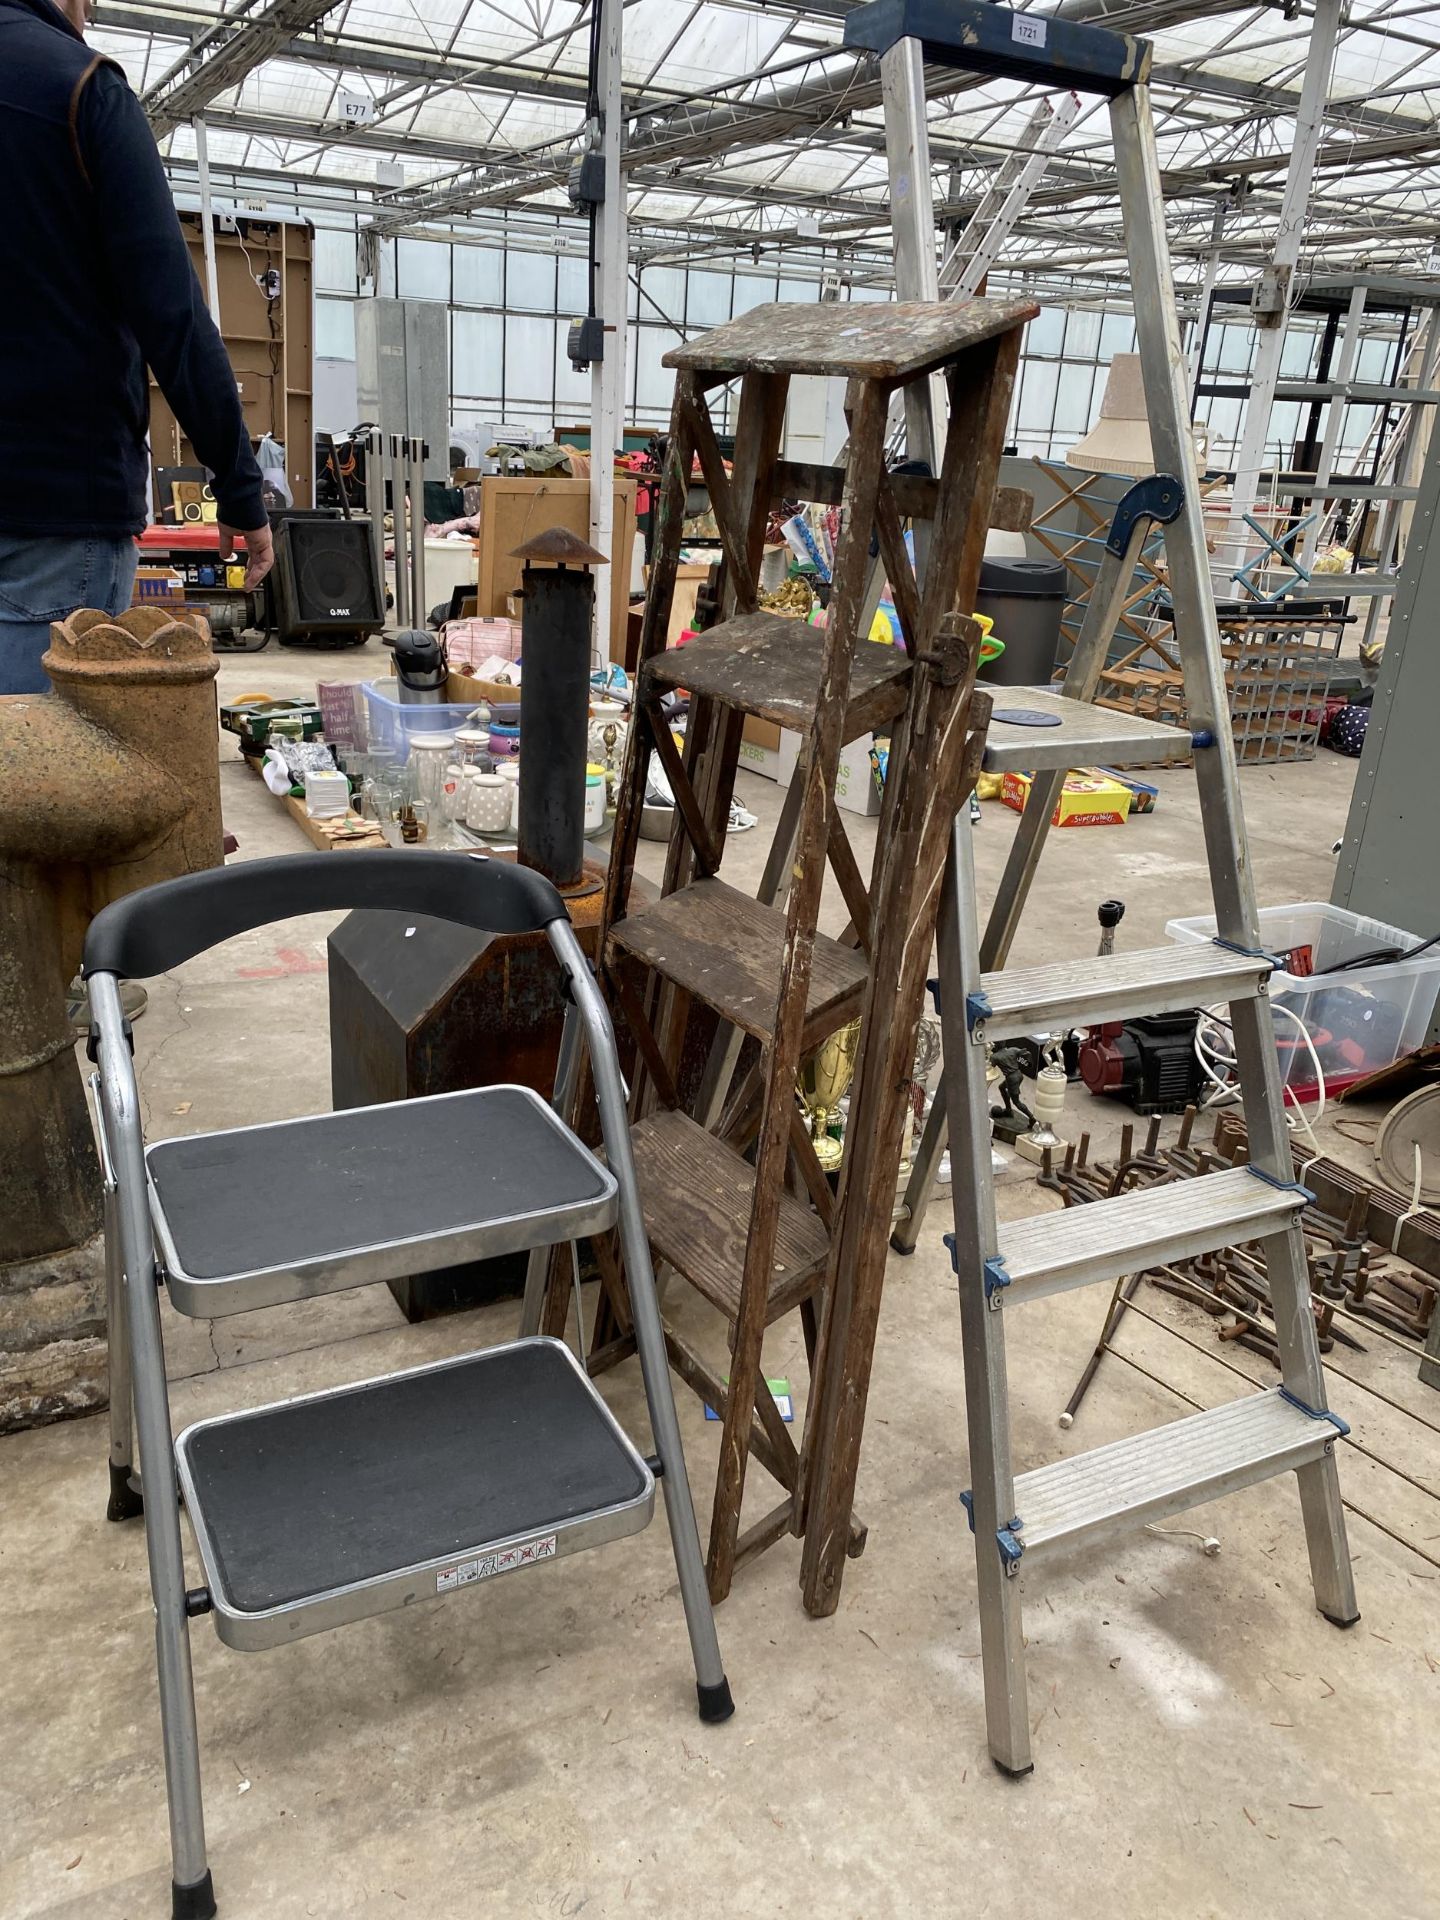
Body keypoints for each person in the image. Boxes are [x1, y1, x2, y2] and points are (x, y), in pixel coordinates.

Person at [0, 0, 275, 697]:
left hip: (50, 512)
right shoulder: (79, 86)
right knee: (49, 786)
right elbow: (172, 316)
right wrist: (242, 494)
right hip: (55, 511)